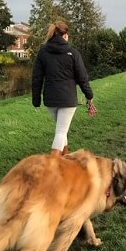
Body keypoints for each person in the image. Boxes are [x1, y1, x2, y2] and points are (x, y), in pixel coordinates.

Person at [31, 20, 94, 156]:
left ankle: (65, 159)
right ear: (65, 35)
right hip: (68, 99)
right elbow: (82, 78)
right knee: (61, 131)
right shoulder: (73, 53)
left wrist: (36, 100)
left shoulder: (43, 52)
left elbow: (37, 78)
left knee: (61, 129)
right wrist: (89, 95)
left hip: (50, 100)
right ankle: (53, 165)